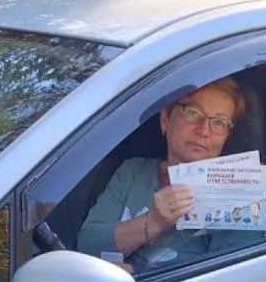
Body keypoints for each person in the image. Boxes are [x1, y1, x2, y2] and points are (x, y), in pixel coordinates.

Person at [77, 77, 250, 270]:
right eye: (193, 113)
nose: (204, 131)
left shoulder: (238, 193)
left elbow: (233, 278)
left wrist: (138, 279)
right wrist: (154, 222)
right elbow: (87, 246)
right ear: (165, 119)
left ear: (226, 136)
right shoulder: (134, 171)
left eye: (219, 123)